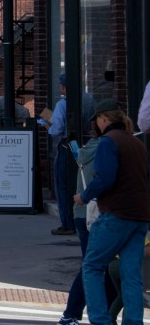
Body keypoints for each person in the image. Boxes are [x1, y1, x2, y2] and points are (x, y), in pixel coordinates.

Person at [74, 98, 150, 325]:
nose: (96, 124)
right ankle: (133, 322)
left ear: (103, 119)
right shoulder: (138, 144)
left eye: (96, 120)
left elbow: (104, 178)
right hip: (140, 216)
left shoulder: (109, 142)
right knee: (132, 275)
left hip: (116, 214)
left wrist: (83, 197)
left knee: (92, 266)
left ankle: (100, 320)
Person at [58, 120, 118, 325]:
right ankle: (80, 314)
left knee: (93, 265)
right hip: (98, 212)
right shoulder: (108, 147)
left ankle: (73, 314)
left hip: (83, 213)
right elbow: (104, 180)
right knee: (99, 266)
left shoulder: (88, 148)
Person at [41, 74, 77, 236]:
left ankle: (67, 223)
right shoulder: (88, 99)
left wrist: (47, 126)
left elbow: (57, 129)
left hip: (65, 145)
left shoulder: (62, 104)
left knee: (62, 186)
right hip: (82, 145)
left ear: (63, 87)